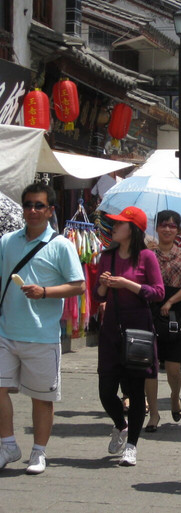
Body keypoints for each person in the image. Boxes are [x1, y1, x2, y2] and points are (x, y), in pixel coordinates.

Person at [0, 183, 85, 474]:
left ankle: (39, 452)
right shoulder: (8, 241)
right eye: (28, 205)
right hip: (5, 331)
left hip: (42, 335)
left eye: (39, 206)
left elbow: (79, 285)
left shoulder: (61, 244)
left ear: (50, 210)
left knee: (42, 397)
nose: (32, 211)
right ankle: (8, 445)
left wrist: (45, 292)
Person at [94, 206, 164, 467]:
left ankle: (132, 445)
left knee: (135, 391)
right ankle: (120, 424)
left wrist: (127, 284)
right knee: (105, 390)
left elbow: (157, 292)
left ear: (133, 229)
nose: (114, 227)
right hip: (112, 327)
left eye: (120, 223)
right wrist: (103, 284)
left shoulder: (146, 257)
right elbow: (98, 295)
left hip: (138, 328)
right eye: (114, 223)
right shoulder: (108, 256)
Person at [145, 211, 181, 431]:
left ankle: (175, 396)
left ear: (178, 230)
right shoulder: (148, 254)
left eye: (172, 226)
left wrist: (170, 301)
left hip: (176, 311)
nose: (167, 229)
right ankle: (154, 413)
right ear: (157, 228)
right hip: (150, 310)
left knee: (174, 368)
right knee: (150, 366)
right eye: (164, 225)